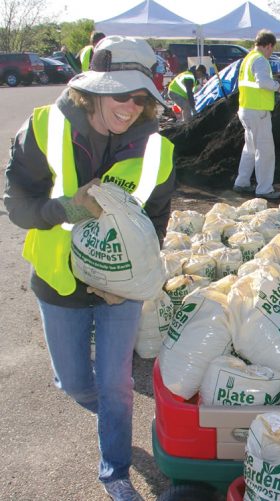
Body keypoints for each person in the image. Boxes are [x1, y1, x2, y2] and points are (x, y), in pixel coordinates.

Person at [4, 35, 175, 501]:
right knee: (77, 382)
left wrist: (133, 275)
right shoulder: (44, 127)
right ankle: (104, 411)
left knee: (117, 382)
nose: (131, 106)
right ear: (94, 88)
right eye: (121, 93)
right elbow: (15, 204)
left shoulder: (158, 150)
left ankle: (114, 469)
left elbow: (155, 217)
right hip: (59, 279)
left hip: (120, 290)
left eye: (141, 97)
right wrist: (64, 210)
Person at [233, 29, 280, 200]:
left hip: (246, 110)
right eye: (272, 49)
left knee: (249, 149)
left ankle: (241, 183)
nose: (271, 52)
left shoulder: (247, 59)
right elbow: (263, 82)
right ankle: (264, 189)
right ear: (268, 45)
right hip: (258, 112)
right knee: (265, 151)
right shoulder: (260, 60)